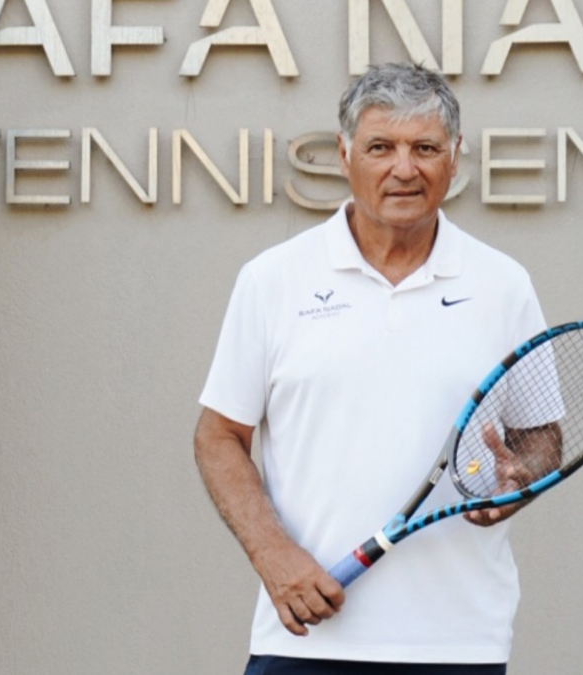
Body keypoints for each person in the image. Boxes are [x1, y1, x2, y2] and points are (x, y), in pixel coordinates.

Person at [195, 63, 548, 675]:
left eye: (425, 148)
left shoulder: (503, 284)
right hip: (304, 643)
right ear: (344, 154)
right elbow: (218, 435)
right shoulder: (273, 279)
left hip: (458, 642)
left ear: (455, 157)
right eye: (381, 147)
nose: (404, 168)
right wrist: (273, 556)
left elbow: (542, 434)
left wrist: (523, 476)